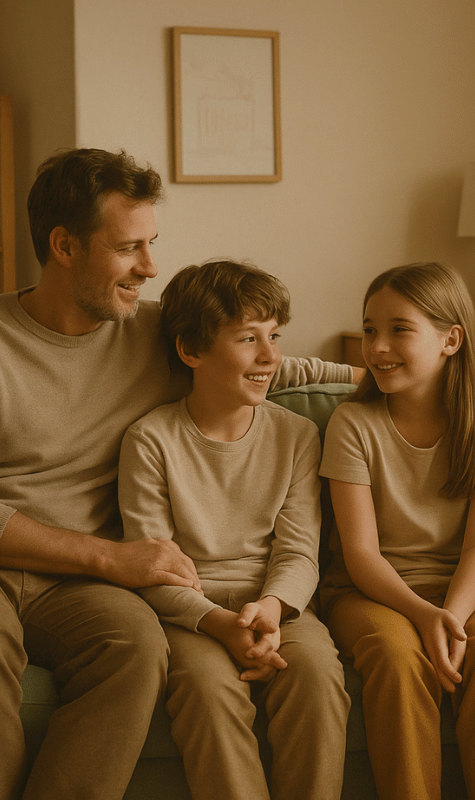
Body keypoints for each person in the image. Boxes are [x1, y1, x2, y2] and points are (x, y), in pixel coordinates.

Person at [0, 148, 356, 800]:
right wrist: (110, 558)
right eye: (129, 249)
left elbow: (263, 365)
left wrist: (383, 375)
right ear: (64, 245)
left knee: (135, 643)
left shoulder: (149, 329)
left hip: (70, 587)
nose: (150, 269)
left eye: (152, 244)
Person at [117, 260, 350, 800]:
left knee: (315, 676)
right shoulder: (150, 441)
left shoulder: (297, 436)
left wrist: (270, 610)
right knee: (206, 691)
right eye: (248, 339)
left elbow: (299, 552)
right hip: (190, 612)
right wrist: (220, 622)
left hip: (278, 602)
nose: (270, 357)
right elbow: (151, 562)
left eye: (274, 336)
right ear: (191, 352)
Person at [320, 262, 475, 800]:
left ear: (451, 339)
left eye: (400, 329)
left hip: (462, 589)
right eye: (371, 329)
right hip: (369, 590)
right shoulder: (353, 425)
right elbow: (361, 554)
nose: (378, 346)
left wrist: (454, 619)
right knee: (398, 659)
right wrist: (423, 616)